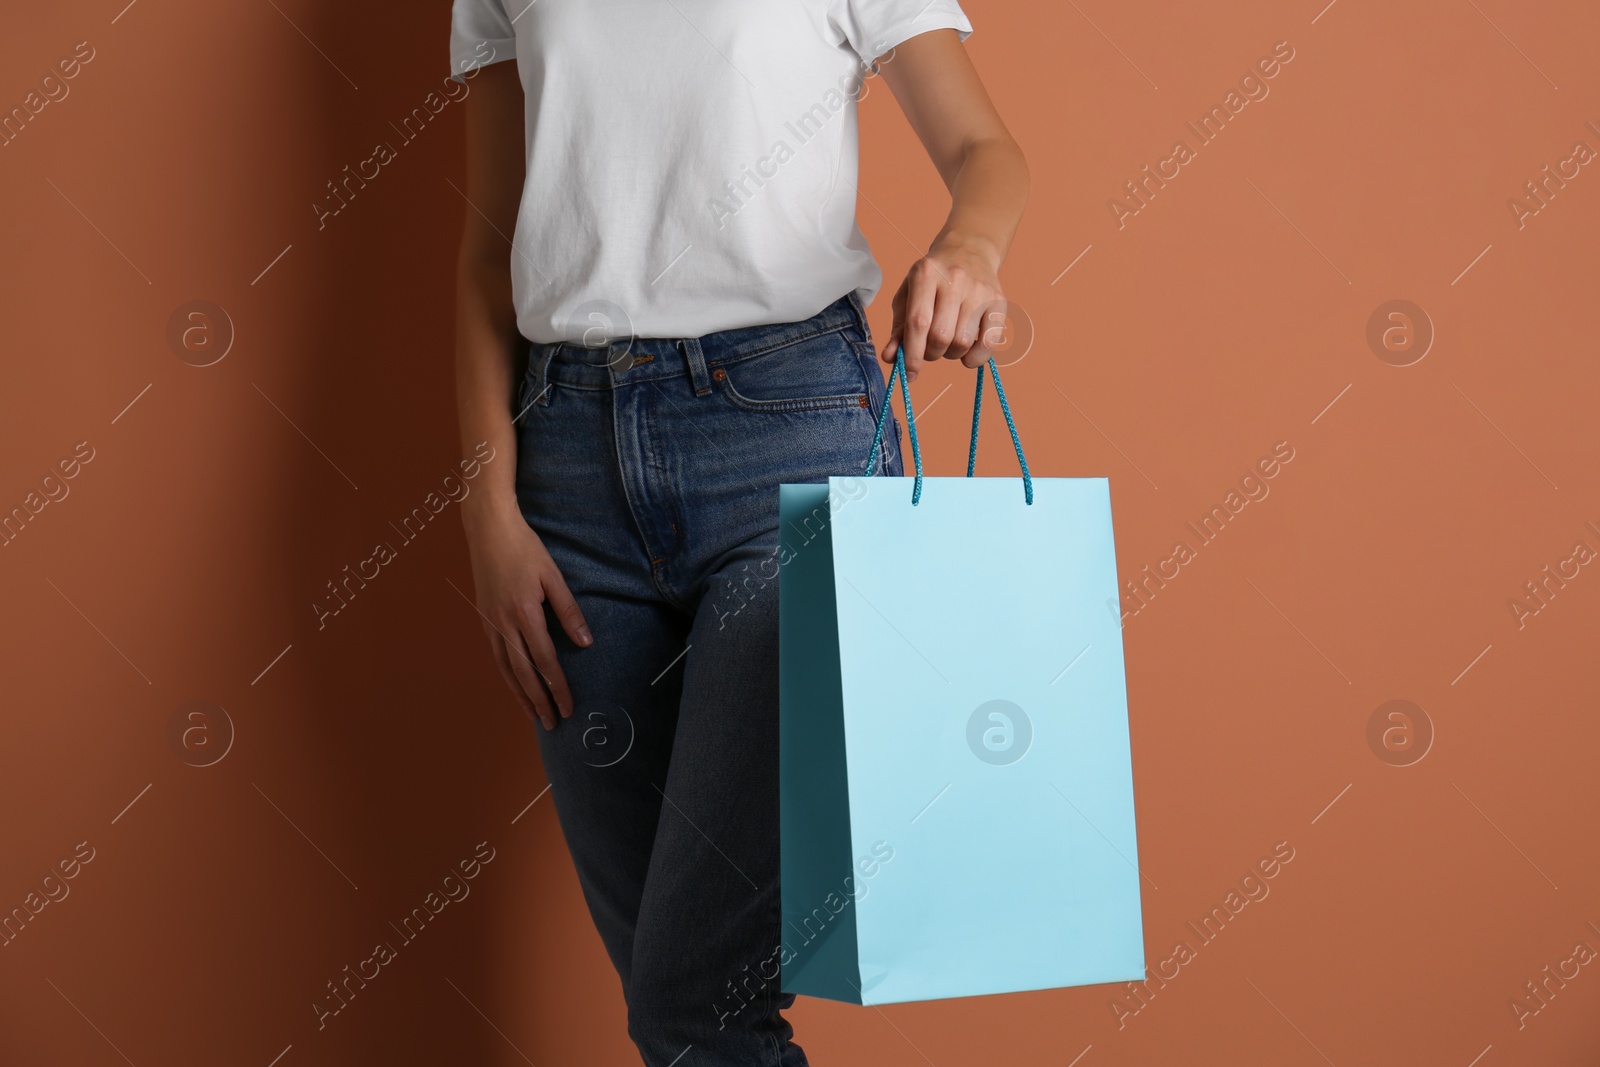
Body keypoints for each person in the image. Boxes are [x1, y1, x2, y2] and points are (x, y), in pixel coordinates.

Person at [448, 2, 1027, 1063]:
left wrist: (968, 248)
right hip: (566, 467)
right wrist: (485, 509)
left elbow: (986, 150)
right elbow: (493, 250)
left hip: (786, 444)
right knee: (683, 1015)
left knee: (691, 1007)